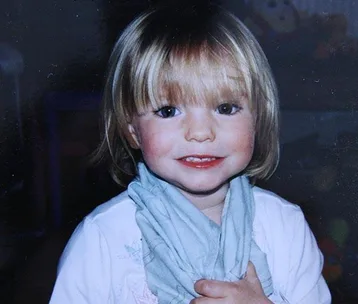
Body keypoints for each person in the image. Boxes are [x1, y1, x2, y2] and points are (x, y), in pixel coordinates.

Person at [49, 1, 331, 303]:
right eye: (168, 110)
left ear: (258, 119)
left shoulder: (284, 227)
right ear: (132, 130)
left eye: (226, 108)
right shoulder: (101, 239)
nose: (200, 132)